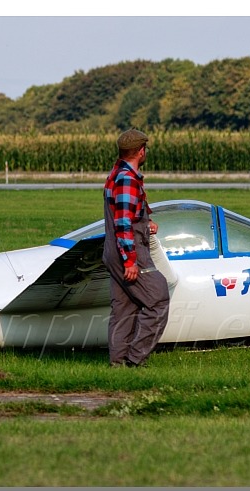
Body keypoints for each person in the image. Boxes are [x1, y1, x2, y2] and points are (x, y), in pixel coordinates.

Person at [102, 129, 170, 367]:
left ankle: (118, 364)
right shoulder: (128, 179)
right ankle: (135, 360)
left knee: (124, 307)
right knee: (158, 298)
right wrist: (130, 260)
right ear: (141, 151)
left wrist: (146, 221)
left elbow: (127, 212)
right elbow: (122, 223)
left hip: (113, 250)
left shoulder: (118, 173)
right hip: (127, 251)